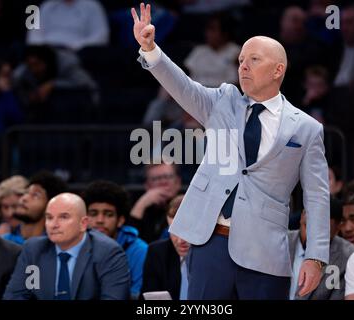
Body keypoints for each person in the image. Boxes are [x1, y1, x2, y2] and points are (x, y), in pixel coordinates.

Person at [131, 3, 330, 299]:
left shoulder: (306, 128)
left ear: (279, 69)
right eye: (240, 60)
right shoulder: (223, 100)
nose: (243, 66)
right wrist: (150, 48)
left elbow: (317, 196)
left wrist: (315, 256)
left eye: (253, 59)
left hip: (265, 250)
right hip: (209, 240)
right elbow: (182, 87)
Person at [3, 193, 130, 300]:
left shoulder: (108, 252)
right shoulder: (34, 250)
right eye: (49, 217)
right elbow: (17, 295)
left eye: (63, 217)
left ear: (83, 224)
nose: (54, 224)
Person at [83, 180, 148, 299]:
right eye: (93, 214)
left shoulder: (139, 250)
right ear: (85, 219)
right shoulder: (76, 245)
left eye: (108, 214)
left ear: (120, 220)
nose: (100, 220)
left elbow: (137, 295)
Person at [289, 197, 354, 300]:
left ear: (338, 227)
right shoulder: (279, 242)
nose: (311, 235)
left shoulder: (349, 257)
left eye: (320, 232)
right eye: (307, 226)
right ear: (302, 215)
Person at [141, 194, 190, 300]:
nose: (180, 240)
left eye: (186, 231)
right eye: (174, 231)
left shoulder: (214, 255)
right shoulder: (157, 252)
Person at [3, 170, 67, 245]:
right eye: (26, 192)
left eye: (35, 195)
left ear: (50, 205)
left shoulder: (55, 247)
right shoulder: (4, 241)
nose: (24, 198)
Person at [129, 161, 182, 243]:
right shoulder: (139, 208)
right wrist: (141, 205)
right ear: (147, 185)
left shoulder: (189, 206)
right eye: (156, 178)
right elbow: (128, 241)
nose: (163, 182)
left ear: (178, 182)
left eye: (167, 176)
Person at [26, 0, 109, 51]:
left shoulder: (92, 6)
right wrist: (43, 48)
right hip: (47, 52)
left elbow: (101, 35)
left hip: (77, 52)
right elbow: (34, 32)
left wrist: (77, 46)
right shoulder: (47, 5)